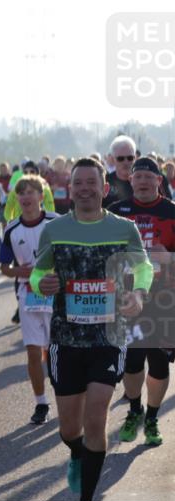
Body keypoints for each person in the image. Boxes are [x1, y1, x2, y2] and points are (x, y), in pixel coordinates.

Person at [30, 158, 153, 501]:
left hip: (108, 336)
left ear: (104, 189)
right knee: (70, 428)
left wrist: (139, 293)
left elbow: (144, 267)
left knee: (97, 414)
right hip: (66, 339)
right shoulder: (55, 229)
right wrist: (41, 284)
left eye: (91, 183)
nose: (84, 188)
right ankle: (78, 453)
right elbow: (38, 272)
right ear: (70, 189)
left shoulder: (124, 228)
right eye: (77, 183)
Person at [108, 157, 175, 446]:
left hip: (163, 299)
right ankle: (134, 410)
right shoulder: (115, 214)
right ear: (130, 181)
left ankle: (151, 417)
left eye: (150, 177)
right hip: (127, 299)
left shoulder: (171, 212)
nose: (144, 182)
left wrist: (169, 258)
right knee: (132, 362)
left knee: (159, 363)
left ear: (159, 181)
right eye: (139, 177)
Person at [0, 176, 60, 425]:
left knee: (58, 352)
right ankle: (41, 403)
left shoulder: (56, 222)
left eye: (30, 192)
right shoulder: (12, 229)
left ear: (40, 196)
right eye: (21, 193)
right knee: (34, 352)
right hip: (28, 296)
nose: (25, 197)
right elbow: (4, 267)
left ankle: (67, 396)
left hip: (57, 295)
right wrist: (18, 272)